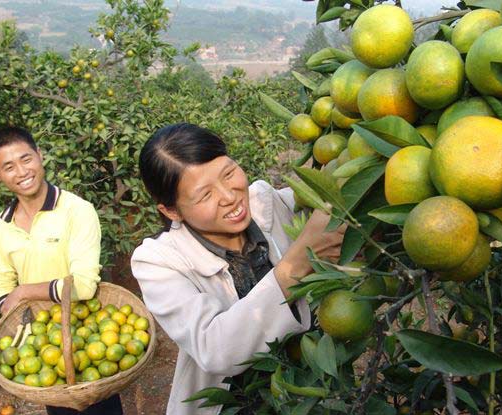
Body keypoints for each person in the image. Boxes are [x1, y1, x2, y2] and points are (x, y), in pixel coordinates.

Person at [130, 123, 344, 415]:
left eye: (229, 173)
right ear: (171, 210)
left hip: (313, 391)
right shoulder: (158, 261)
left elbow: (338, 203)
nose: (230, 196)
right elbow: (214, 349)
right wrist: (295, 265)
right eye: (205, 195)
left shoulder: (266, 202)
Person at [0, 127, 123, 415]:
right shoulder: (3, 224)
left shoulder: (76, 210)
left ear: (40, 156)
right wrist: (9, 309)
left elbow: (83, 286)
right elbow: (2, 277)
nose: (22, 171)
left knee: (99, 406)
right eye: (9, 167)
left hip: (86, 333)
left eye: (26, 159)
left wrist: (23, 292)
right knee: (58, 408)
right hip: (42, 341)